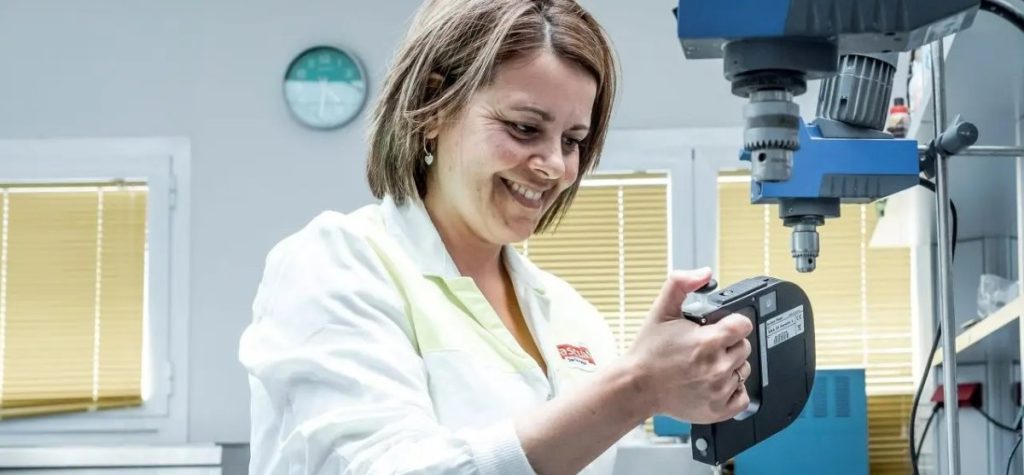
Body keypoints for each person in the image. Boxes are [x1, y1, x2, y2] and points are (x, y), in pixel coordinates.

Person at [238, 0, 753, 473]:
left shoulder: (572, 316)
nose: (554, 165)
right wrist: (636, 388)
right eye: (525, 128)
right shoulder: (335, 263)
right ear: (435, 106)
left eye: (572, 140)